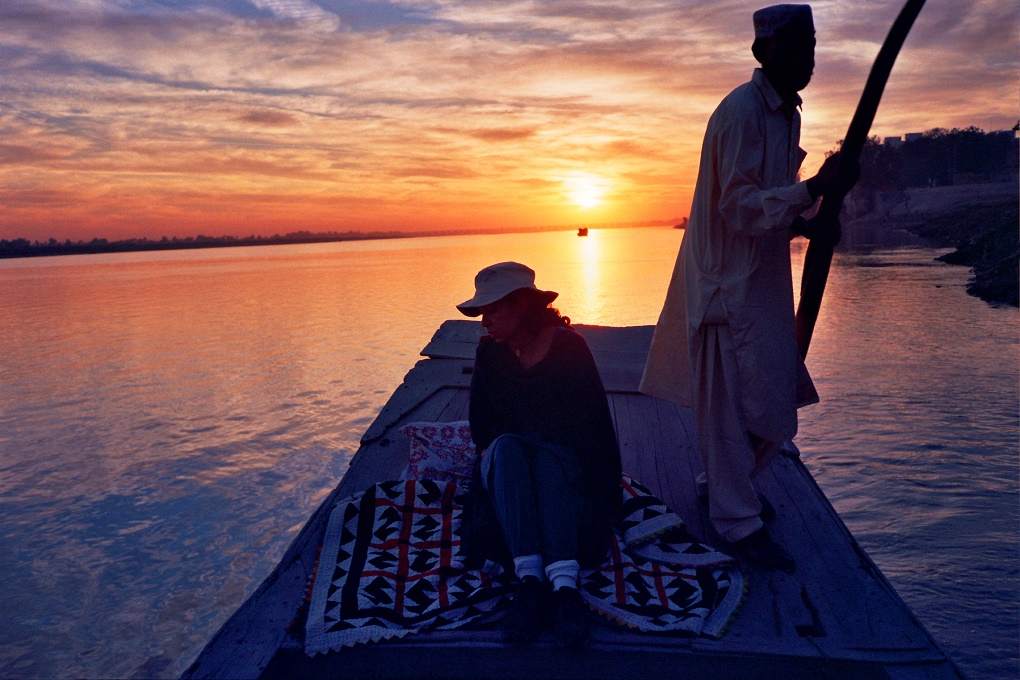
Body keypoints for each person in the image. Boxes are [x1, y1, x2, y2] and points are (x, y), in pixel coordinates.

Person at [640, 5, 858, 572]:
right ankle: (736, 520)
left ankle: (727, 486)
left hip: (758, 286)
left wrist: (807, 219)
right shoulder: (741, 113)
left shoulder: (787, 113)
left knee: (764, 396)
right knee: (725, 403)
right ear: (764, 54)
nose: (808, 56)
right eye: (796, 46)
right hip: (723, 289)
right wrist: (812, 188)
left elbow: (769, 199)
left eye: (811, 43)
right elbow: (736, 207)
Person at [456, 262, 622, 646]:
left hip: (561, 466)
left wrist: (604, 491)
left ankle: (564, 588)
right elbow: (483, 427)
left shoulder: (569, 348)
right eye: (483, 313)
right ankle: (531, 580)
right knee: (511, 448)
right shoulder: (489, 355)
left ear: (519, 305)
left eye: (492, 310)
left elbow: (592, 426)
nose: (485, 322)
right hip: (508, 463)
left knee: (546, 456)